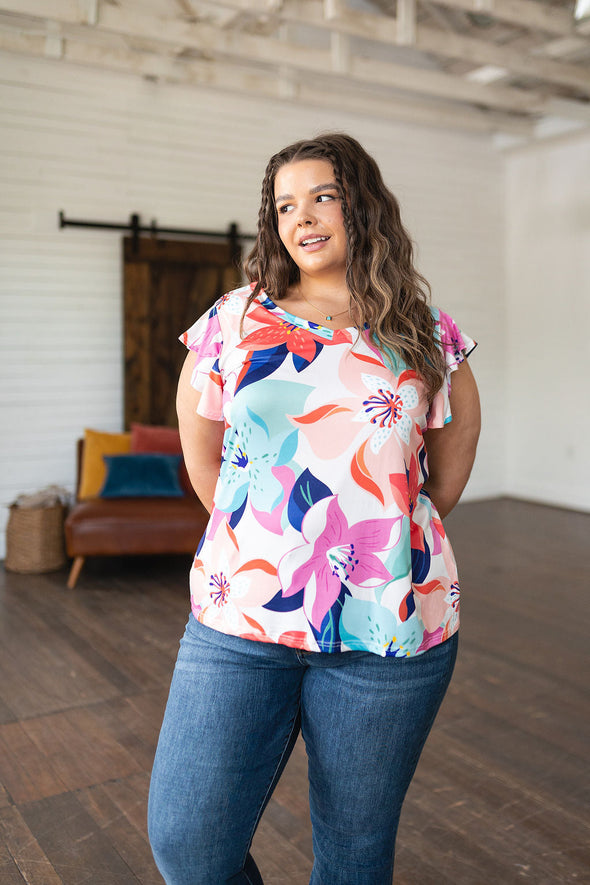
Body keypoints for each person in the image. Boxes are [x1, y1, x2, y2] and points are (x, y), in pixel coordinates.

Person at [148, 133, 480, 885]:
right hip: (242, 621)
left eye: (323, 196)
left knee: (355, 858)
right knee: (189, 846)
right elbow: (203, 458)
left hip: (388, 625)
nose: (303, 217)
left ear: (362, 207)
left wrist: (379, 538)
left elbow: (445, 480)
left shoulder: (425, 333)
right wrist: (270, 537)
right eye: (285, 205)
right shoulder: (234, 320)